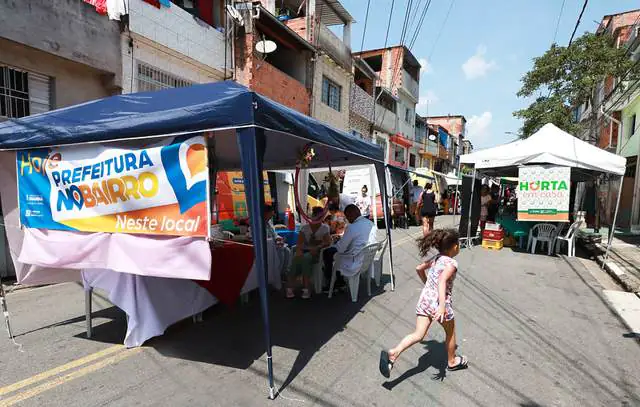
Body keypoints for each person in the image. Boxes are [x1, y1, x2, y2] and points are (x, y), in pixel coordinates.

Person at [379, 229, 468, 378]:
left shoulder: (437, 258)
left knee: (418, 334)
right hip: (439, 304)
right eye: (458, 244)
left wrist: (427, 284)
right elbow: (442, 281)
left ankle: (394, 353)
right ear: (454, 247)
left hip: (425, 300)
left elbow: (419, 268)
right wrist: (441, 307)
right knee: (450, 333)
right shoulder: (452, 263)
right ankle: (452, 362)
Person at [323, 204, 377, 291]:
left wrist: (335, 243)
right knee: (335, 253)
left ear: (352, 215)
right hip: (367, 258)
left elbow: (341, 248)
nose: (347, 219)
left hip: (355, 261)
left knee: (328, 252)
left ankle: (334, 283)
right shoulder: (370, 223)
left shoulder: (352, 227)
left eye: (347, 217)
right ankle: (340, 282)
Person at [286, 206, 332, 299]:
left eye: (320, 217)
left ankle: (304, 287)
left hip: (317, 253)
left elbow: (328, 242)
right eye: (316, 216)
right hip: (305, 251)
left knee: (305, 258)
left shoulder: (324, 228)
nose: (318, 219)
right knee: (298, 258)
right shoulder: (305, 228)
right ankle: (299, 287)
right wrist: (299, 250)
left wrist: (318, 247)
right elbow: (299, 243)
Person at [264, 204, 291, 277]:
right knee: (280, 251)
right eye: (270, 214)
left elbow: (274, 234)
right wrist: (275, 241)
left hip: (274, 244)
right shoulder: (259, 224)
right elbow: (265, 239)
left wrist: (279, 238)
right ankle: (277, 275)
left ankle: (283, 272)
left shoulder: (269, 222)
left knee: (287, 251)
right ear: (265, 213)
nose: (271, 216)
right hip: (267, 246)